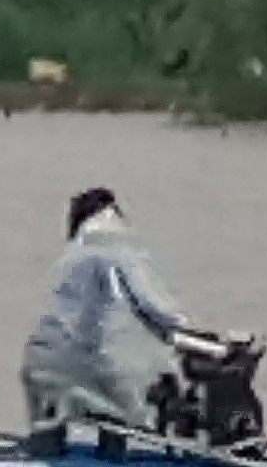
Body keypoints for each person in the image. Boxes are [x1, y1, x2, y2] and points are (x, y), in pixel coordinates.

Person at [20, 186, 227, 443]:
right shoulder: (119, 248)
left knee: (49, 429)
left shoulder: (71, 254)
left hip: (42, 359)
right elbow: (158, 308)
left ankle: (44, 461)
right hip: (96, 361)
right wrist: (205, 339)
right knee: (126, 414)